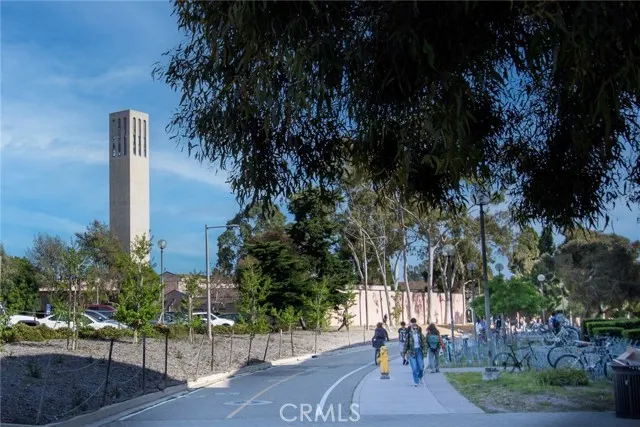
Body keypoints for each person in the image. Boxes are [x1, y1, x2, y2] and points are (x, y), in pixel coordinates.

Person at [402, 318, 427, 387]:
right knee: (414, 368)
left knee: (421, 367)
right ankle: (416, 381)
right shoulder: (409, 336)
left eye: (416, 329)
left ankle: (420, 376)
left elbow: (425, 344)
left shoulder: (420, 335)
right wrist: (404, 354)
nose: (415, 330)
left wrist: (424, 352)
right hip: (411, 352)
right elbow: (405, 345)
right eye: (414, 329)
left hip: (419, 351)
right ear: (411, 329)